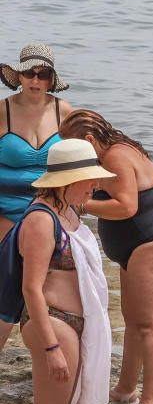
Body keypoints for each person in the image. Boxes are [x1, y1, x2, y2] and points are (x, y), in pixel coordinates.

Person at [59, 109, 153, 404]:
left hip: (152, 244)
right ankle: (126, 390)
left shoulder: (115, 155)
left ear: (89, 139)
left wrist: (79, 205)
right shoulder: (113, 151)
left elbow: (127, 205)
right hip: (136, 248)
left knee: (149, 324)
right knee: (133, 322)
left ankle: (150, 403)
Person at [19, 139, 114, 404]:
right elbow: (31, 290)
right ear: (66, 180)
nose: (94, 185)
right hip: (52, 323)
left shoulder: (70, 213)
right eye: (89, 178)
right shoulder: (41, 220)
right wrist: (52, 346)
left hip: (73, 324)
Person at [0, 43, 73, 352]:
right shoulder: (2, 111)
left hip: (49, 215)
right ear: (18, 76)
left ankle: (49, 358)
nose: (35, 81)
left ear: (51, 80)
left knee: (46, 293)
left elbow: (80, 163)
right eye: (29, 73)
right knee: (5, 296)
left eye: (42, 75)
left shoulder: (63, 111)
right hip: (5, 212)